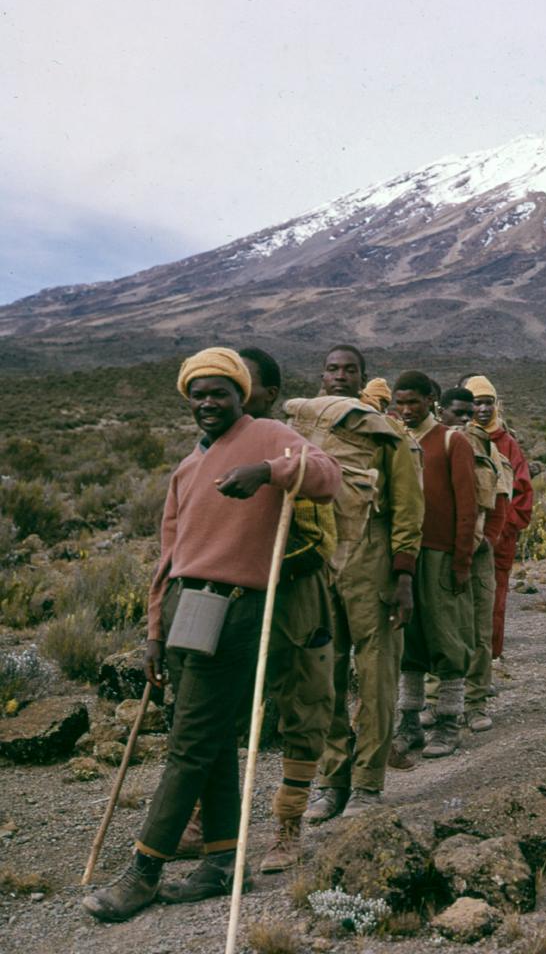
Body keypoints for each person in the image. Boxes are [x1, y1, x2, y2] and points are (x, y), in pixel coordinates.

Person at [81, 348, 340, 922]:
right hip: (186, 610)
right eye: (197, 393)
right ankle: (224, 863)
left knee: (189, 746)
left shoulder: (269, 434)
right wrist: (154, 631)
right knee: (212, 739)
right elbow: (167, 557)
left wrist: (270, 471)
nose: (206, 402)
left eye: (219, 392)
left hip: (240, 610)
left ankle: (144, 871)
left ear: (241, 394)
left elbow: (327, 477)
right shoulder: (185, 467)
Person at [304, 345, 424, 821]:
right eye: (332, 368)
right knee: (323, 676)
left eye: (349, 369)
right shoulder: (304, 430)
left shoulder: (388, 434)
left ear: (363, 378)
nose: (339, 376)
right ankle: (332, 778)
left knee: (376, 677)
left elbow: (409, 508)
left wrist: (403, 576)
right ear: (321, 374)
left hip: (371, 562)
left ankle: (368, 783)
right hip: (317, 565)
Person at [236, 348, 337, 874]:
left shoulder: (285, 440)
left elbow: (324, 479)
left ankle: (287, 823)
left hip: (292, 587)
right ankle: (207, 820)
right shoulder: (206, 445)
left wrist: (272, 472)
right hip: (226, 595)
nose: (226, 390)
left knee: (303, 703)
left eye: (241, 381)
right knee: (212, 705)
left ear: (269, 394)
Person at [392, 371, 477, 759]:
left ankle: (449, 722)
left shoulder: (450, 440)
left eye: (414, 402)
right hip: (405, 552)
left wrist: (461, 562)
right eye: (400, 402)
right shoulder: (395, 440)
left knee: (446, 636)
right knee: (409, 639)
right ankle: (409, 722)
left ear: (432, 401)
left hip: (441, 554)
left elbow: (467, 506)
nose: (406, 410)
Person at [423, 387, 510, 732]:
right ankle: (435, 700)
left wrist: (484, 541)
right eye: (455, 413)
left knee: (477, 629)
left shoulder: (485, 449)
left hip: (476, 553)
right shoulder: (430, 448)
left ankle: (474, 703)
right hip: (439, 550)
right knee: (437, 626)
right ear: (439, 411)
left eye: (467, 414)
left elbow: (500, 500)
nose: (462, 421)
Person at [466, 375, 533, 659]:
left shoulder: (507, 444)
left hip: (498, 539)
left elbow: (522, 494)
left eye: (488, 403)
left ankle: (487, 662)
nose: (483, 409)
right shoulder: (458, 438)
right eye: (476, 403)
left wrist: (502, 531)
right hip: (464, 535)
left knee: (494, 600)